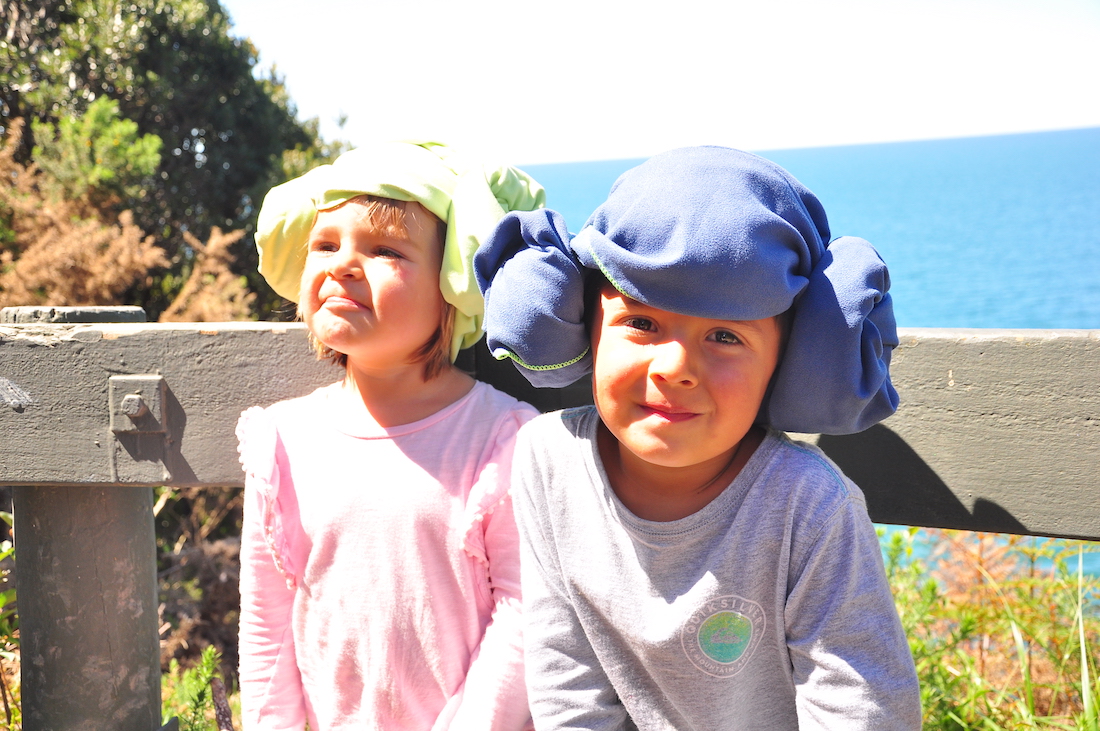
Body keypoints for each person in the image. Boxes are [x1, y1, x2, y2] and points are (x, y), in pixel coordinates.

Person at [474, 146, 921, 730]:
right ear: (590, 326)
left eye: (725, 337)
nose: (675, 367)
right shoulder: (547, 459)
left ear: (785, 363)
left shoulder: (808, 507)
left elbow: (861, 709)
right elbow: (567, 681)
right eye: (641, 323)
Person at [236, 141, 545, 730]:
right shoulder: (283, 443)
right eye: (325, 245)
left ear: (452, 286)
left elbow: (526, 610)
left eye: (385, 250)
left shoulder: (503, 439)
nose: (343, 265)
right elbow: (266, 626)